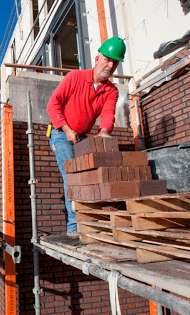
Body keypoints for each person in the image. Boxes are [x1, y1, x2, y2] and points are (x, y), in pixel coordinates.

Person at [46, 36, 126, 235]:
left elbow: (108, 114)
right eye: (107, 59)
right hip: (60, 133)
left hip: (81, 136)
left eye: (114, 62)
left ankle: (90, 220)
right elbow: (53, 104)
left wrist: (105, 132)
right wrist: (67, 129)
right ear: (97, 58)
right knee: (72, 176)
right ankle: (74, 226)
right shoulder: (75, 77)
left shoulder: (111, 91)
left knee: (88, 176)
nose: (110, 65)